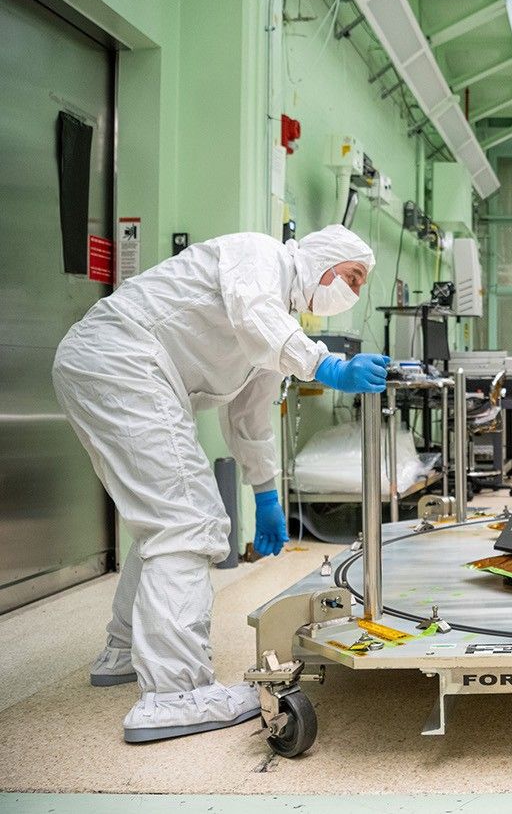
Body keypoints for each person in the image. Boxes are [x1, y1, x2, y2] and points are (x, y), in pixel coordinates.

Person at [52, 225, 387, 743]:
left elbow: (250, 416)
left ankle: (123, 649)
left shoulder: (276, 326)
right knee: (187, 520)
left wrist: (266, 492)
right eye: (353, 277)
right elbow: (256, 314)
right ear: (323, 259)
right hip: (123, 358)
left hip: (114, 366)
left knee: (164, 520)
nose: (354, 293)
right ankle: (174, 695)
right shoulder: (261, 258)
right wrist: (326, 364)